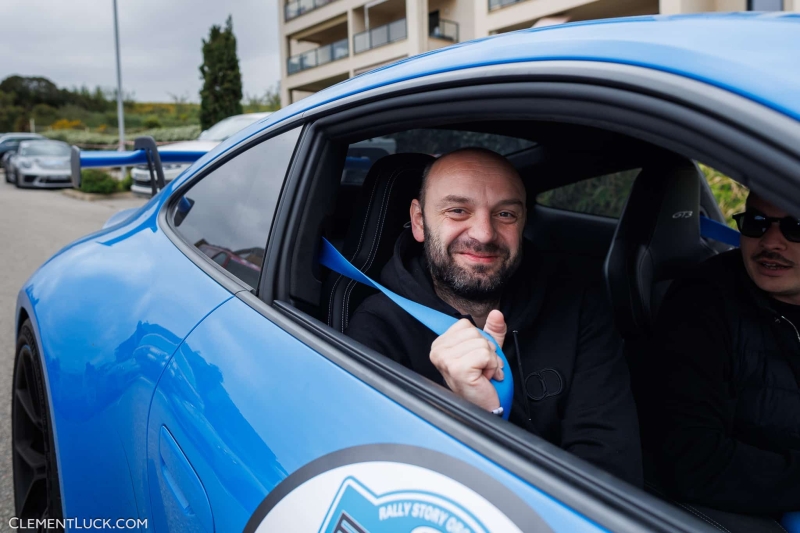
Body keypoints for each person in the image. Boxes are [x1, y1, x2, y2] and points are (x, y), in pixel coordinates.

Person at [346, 148, 642, 486]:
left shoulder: (576, 305)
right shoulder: (378, 328)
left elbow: (612, 466)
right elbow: (388, 488)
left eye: (505, 214)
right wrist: (467, 416)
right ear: (419, 221)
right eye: (458, 211)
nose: (484, 234)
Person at [650, 191, 800, 515]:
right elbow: (691, 459)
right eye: (757, 223)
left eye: (795, 227)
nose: (771, 242)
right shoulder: (702, 303)